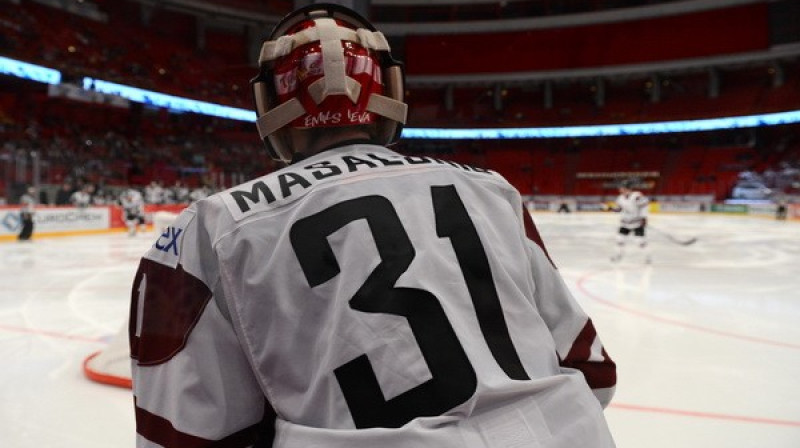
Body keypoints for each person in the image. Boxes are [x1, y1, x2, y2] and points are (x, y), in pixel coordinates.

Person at [128, 4, 617, 448]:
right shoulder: (491, 189)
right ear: (390, 91)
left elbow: (180, 434)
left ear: (268, 106)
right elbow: (593, 370)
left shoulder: (215, 226)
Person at [610, 178, 651, 263]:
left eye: (621, 187)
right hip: (625, 223)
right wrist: (611, 209)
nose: (619, 189)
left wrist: (644, 218)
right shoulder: (620, 198)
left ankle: (647, 257)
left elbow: (644, 206)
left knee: (640, 241)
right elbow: (619, 209)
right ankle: (618, 255)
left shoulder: (636, 196)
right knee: (620, 240)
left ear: (626, 188)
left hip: (637, 223)